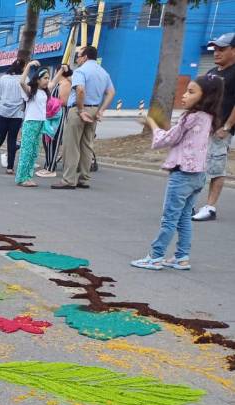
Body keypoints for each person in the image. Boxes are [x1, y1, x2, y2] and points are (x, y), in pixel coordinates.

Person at [131, 76, 223, 270]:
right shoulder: (209, 118)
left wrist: (152, 124)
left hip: (182, 175)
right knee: (184, 217)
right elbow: (179, 137)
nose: (184, 95)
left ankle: (155, 256)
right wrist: (165, 127)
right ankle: (182, 257)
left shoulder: (190, 117)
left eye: (191, 92)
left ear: (205, 96)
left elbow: (165, 140)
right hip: (198, 175)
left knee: (169, 218)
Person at [53, 46, 115, 189]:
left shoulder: (81, 71)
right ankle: (84, 178)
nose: (78, 59)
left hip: (79, 109)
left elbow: (80, 90)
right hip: (94, 109)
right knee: (87, 145)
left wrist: (81, 110)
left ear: (85, 57)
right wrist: (101, 110)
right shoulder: (103, 72)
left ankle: (68, 180)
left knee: (71, 145)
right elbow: (111, 92)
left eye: (79, 56)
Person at [193, 31, 235, 222]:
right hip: (203, 129)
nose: (216, 53)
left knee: (216, 168)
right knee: (197, 166)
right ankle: (190, 204)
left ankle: (210, 208)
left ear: (233, 50)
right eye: (215, 49)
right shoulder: (211, 73)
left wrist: (226, 127)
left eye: (222, 49)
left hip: (220, 130)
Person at [16, 62, 50, 187]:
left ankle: (28, 177)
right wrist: (29, 66)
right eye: (45, 78)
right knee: (26, 151)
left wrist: (62, 70)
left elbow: (55, 81)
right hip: (30, 123)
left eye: (48, 78)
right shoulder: (31, 91)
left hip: (41, 123)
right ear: (38, 79)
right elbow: (21, 82)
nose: (47, 80)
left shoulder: (45, 92)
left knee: (34, 152)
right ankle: (21, 178)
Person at [38, 65, 72, 177]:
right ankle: (48, 164)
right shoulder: (57, 83)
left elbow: (64, 101)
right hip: (50, 115)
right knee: (46, 140)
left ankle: (51, 168)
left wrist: (52, 102)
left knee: (53, 141)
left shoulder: (66, 83)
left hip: (58, 115)